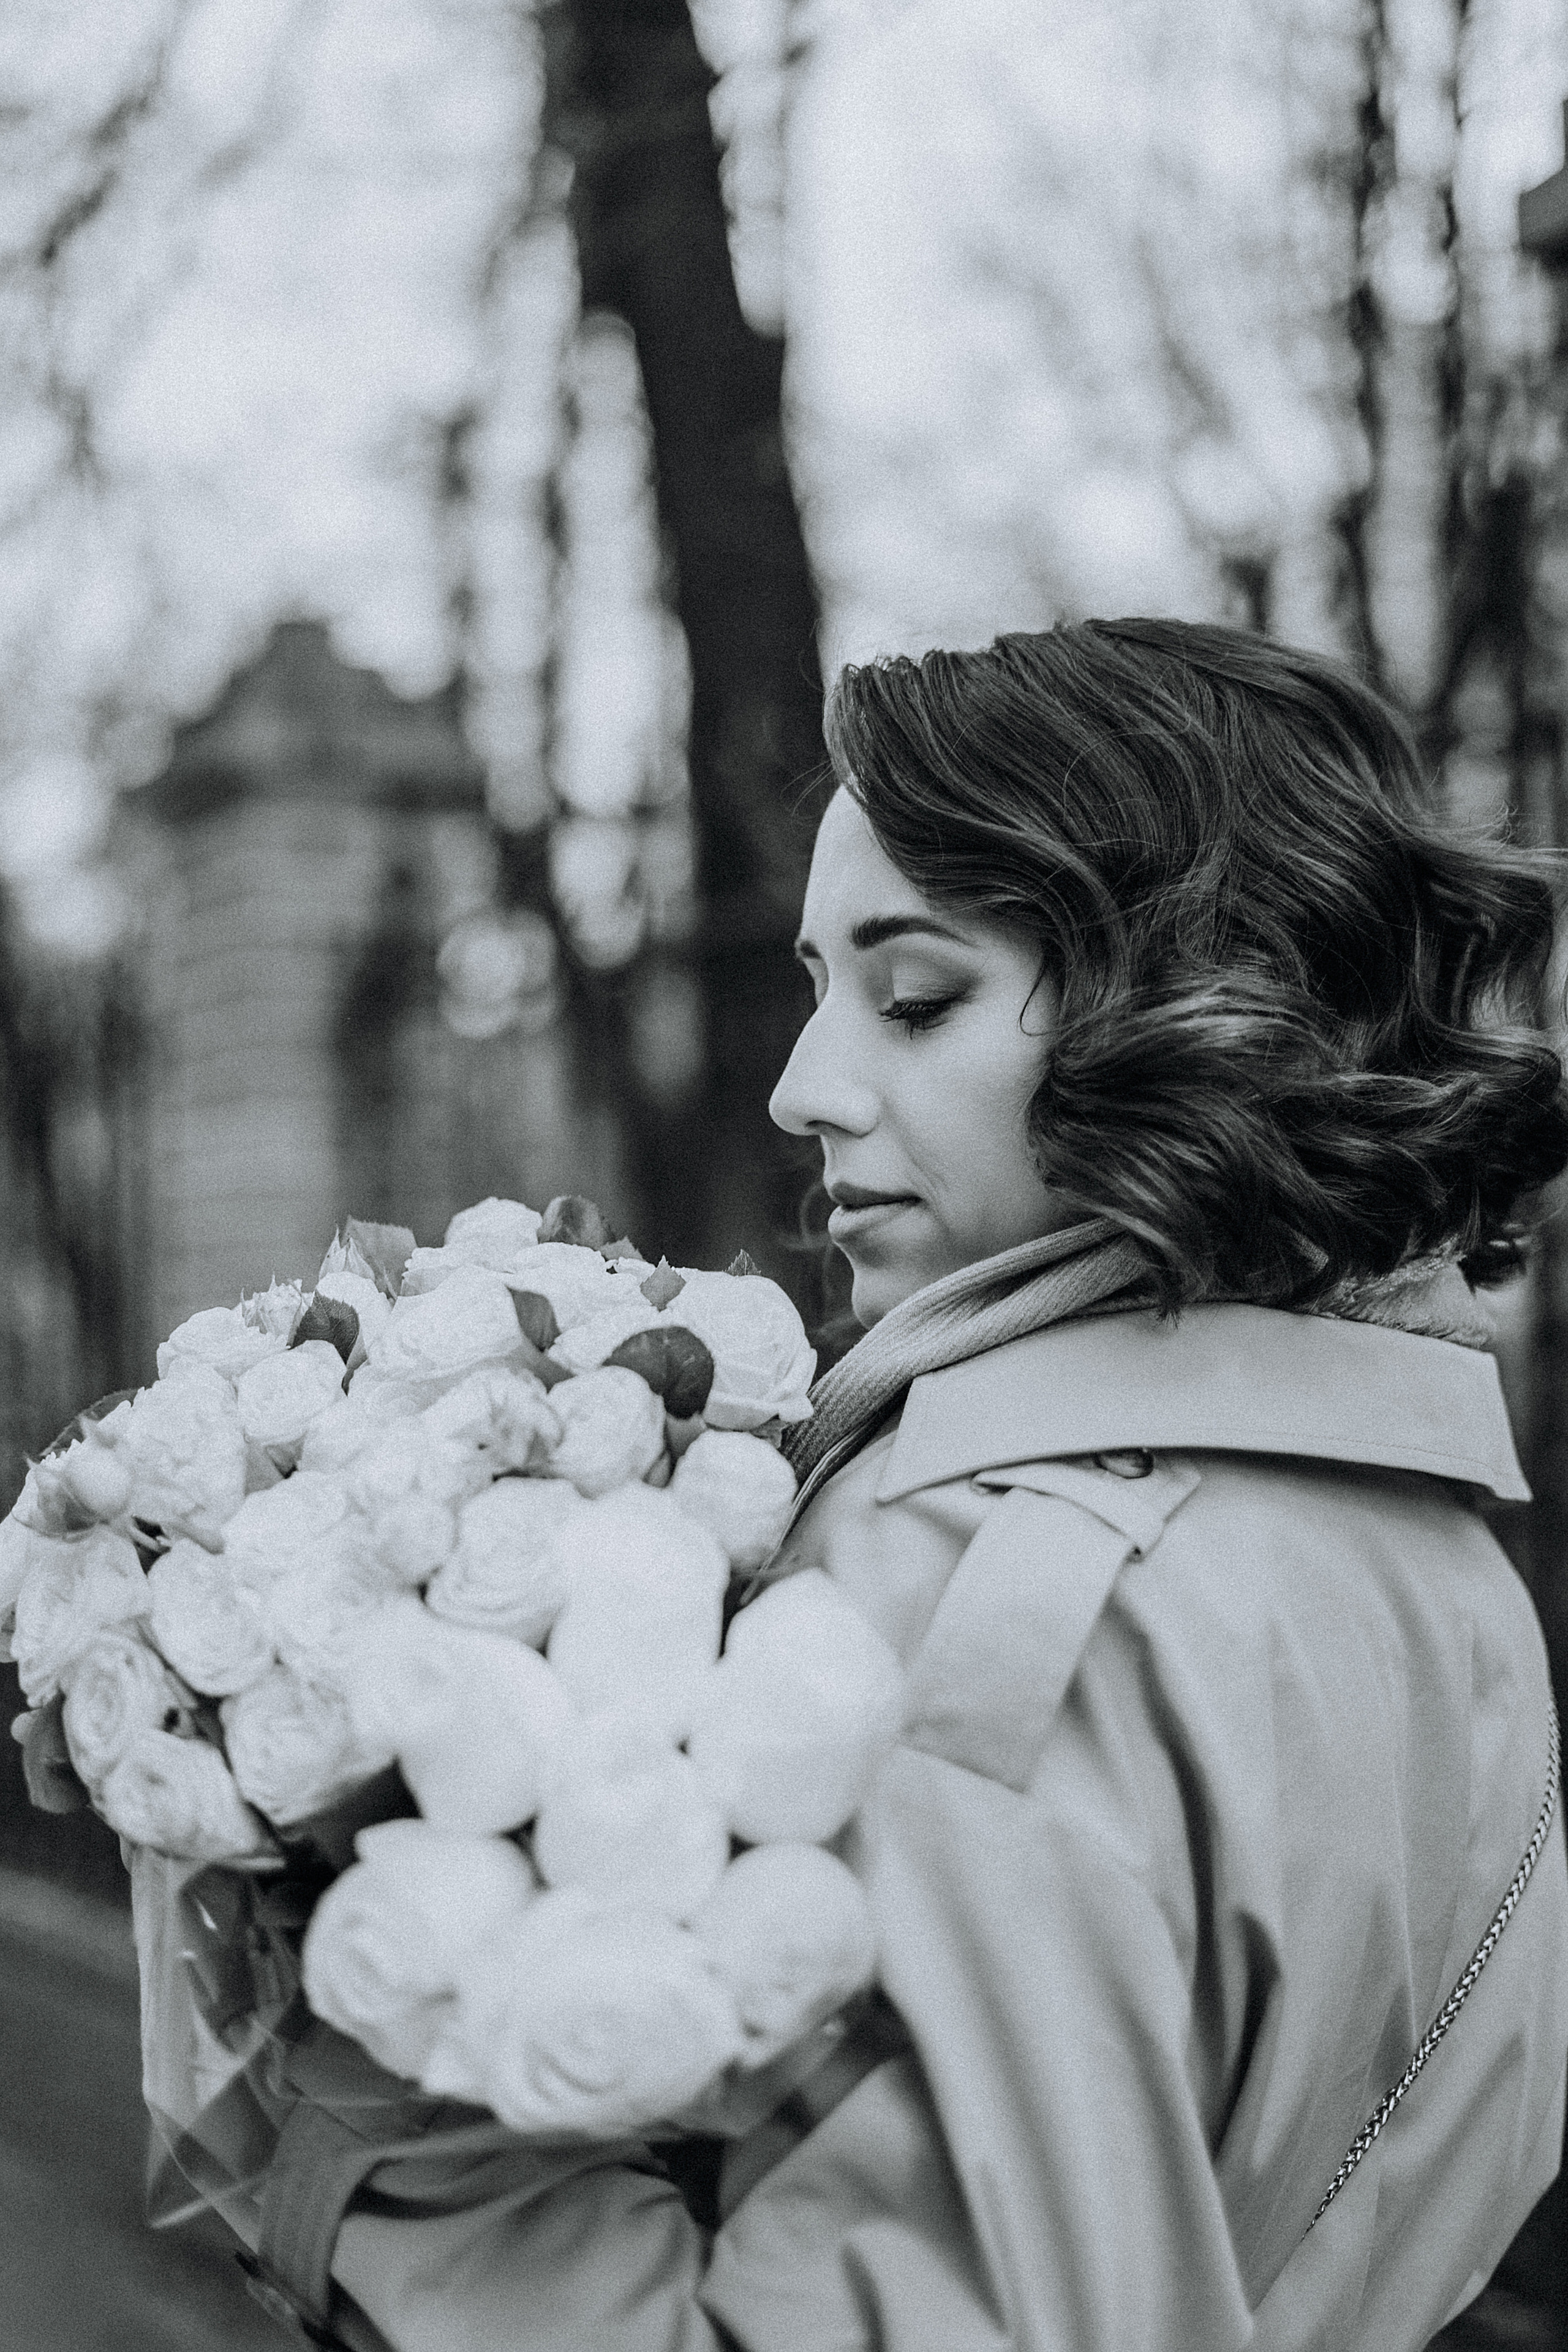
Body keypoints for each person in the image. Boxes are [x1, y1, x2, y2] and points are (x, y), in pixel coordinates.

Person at [317, 621, 1567, 2351]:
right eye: (824, 989)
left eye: (916, 999)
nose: (802, 1088)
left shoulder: (984, 1581)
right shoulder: (1442, 1566)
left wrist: (338, 2135)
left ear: (1194, 1008)